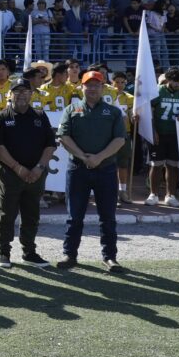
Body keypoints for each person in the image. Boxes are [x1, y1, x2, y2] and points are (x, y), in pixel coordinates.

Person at [55, 71, 127, 272]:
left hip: (106, 170)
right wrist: (84, 157)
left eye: (96, 85)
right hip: (78, 169)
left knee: (108, 217)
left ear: (103, 88)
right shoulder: (71, 109)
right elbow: (63, 137)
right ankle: (69, 255)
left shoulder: (113, 112)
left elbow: (120, 140)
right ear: (82, 87)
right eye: (89, 85)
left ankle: (110, 257)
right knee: (74, 216)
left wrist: (99, 157)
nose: (92, 88)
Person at [0, 78, 56, 268]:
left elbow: (50, 145)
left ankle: (29, 252)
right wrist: (18, 168)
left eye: (25, 91)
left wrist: (39, 168)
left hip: (36, 175)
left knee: (31, 214)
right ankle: (4, 252)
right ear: (10, 94)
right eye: (17, 91)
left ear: (31, 94)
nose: (21, 94)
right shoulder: (1, 116)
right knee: (6, 214)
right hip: (9, 174)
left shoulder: (40, 115)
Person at [144, 68, 179, 208]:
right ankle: (153, 194)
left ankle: (170, 195)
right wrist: (153, 131)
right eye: (175, 81)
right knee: (156, 164)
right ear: (168, 80)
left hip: (176, 134)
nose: (178, 84)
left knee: (173, 165)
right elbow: (148, 112)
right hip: (159, 133)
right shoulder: (157, 91)